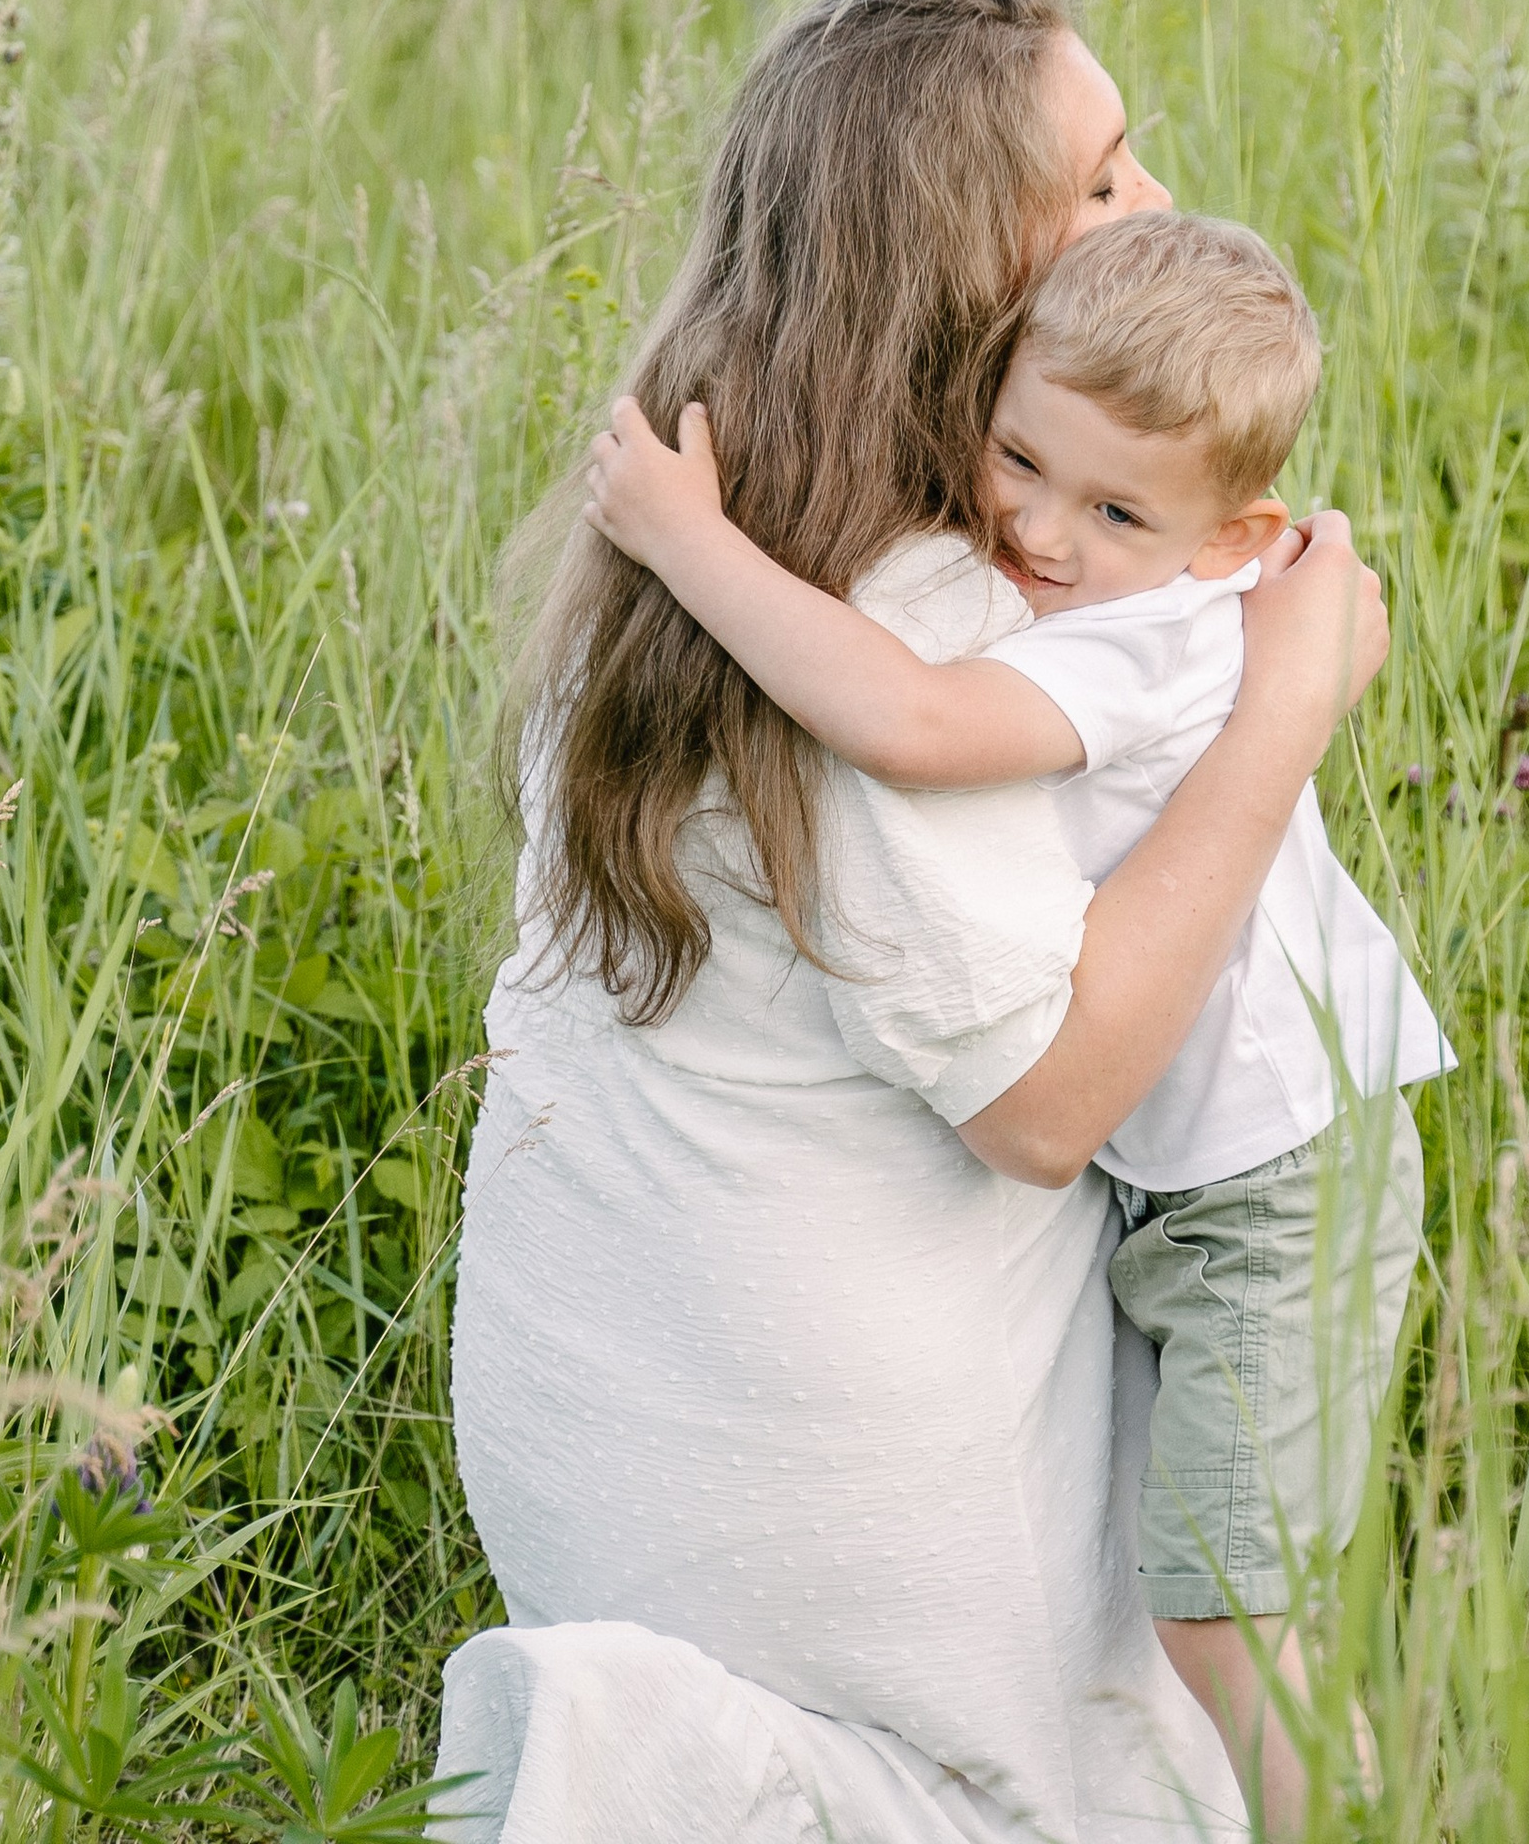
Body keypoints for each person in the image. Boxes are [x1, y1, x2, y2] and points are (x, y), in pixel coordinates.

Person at [441, 0, 1390, 1844]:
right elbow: (1048, 1109)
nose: (1164, 211)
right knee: (1174, 1770)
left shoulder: (689, 550)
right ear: (968, 280)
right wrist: (1281, 711)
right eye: (1105, 184)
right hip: (802, 1537)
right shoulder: (909, 619)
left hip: (594, 1452)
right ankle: (705, 1765)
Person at [585, 208, 1447, 1836]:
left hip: (1274, 1192)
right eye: (1017, 458)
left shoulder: (1151, 639)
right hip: (1218, 1175)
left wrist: (689, 541)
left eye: (1114, 508)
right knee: (1216, 1585)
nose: (1041, 531)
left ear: (1228, 541)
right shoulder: (1144, 573)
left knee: (1228, 1613)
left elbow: (910, 723)